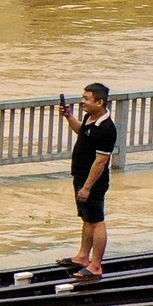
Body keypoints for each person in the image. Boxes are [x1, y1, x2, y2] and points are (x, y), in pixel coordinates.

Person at [58, 82, 118, 280]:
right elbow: (82, 133)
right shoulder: (90, 118)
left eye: (86, 99)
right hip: (81, 175)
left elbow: (100, 162)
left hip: (93, 180)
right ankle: (83, 257)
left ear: (100, 102)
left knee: (96, 220)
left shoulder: (107, 128)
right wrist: (69, 117)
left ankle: (96, 265)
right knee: (87, 218)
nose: (83, 102)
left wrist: (87, 187)